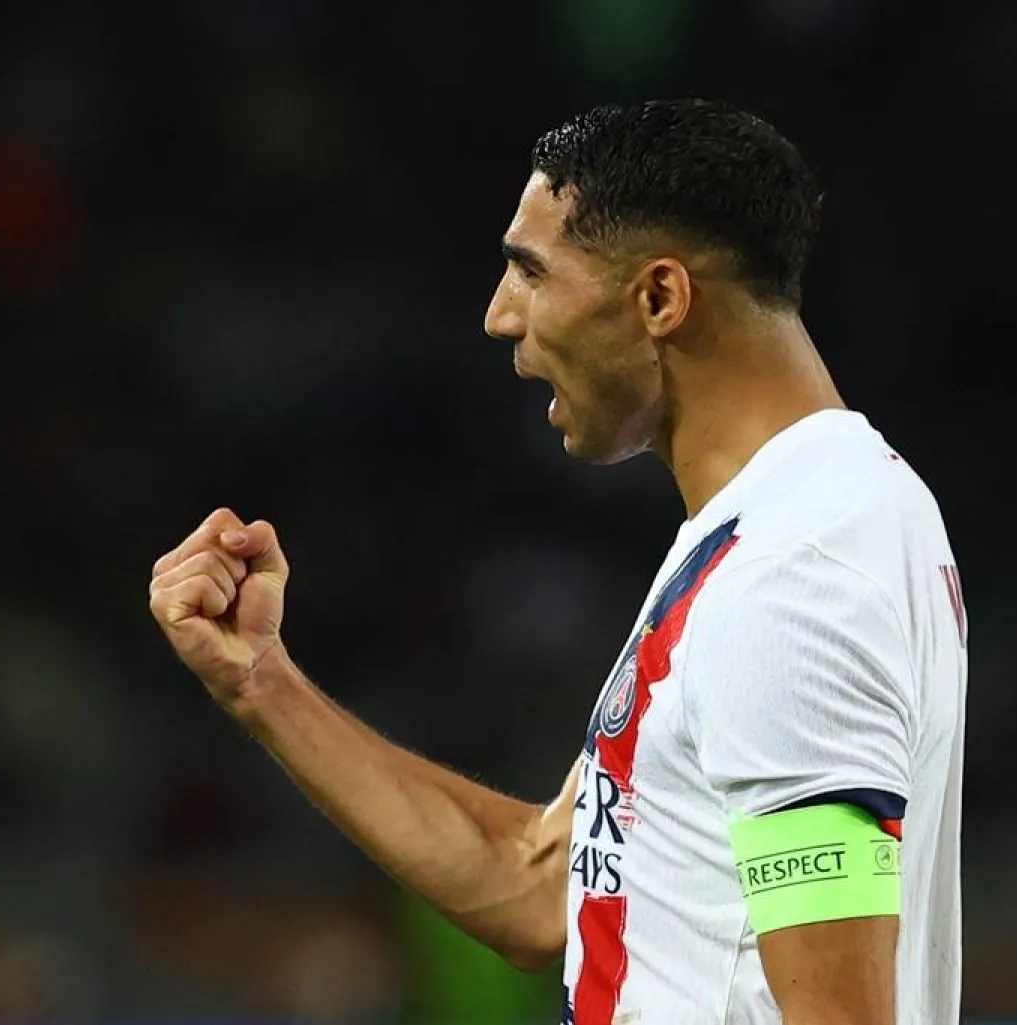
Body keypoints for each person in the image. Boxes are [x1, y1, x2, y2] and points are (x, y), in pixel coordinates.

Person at [148, 99, 967, 1025]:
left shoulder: (795, 571)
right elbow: (542, 881)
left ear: (659, 298)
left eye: (530, 272)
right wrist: (263, 682)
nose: (500, 315)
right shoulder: (781, 526)